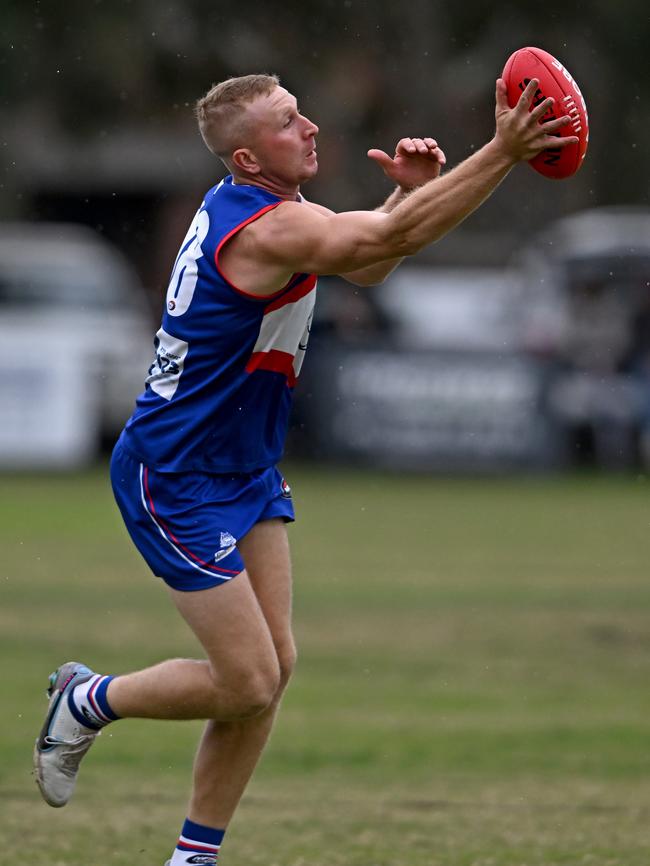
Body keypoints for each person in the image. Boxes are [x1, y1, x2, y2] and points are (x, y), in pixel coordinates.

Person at [33, 72, 576, 865]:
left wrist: (404, 204)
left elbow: (371, 261)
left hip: (242, 463)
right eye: (289, 123)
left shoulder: (270, 212)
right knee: (248, 680)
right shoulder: (264, 228)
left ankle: (195, 857)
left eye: (301, 112)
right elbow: (379, 247)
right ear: (249, 157)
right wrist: (502, 150)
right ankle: (86, 699)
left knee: (273, 670)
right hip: (174, 472)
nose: (312, 127)